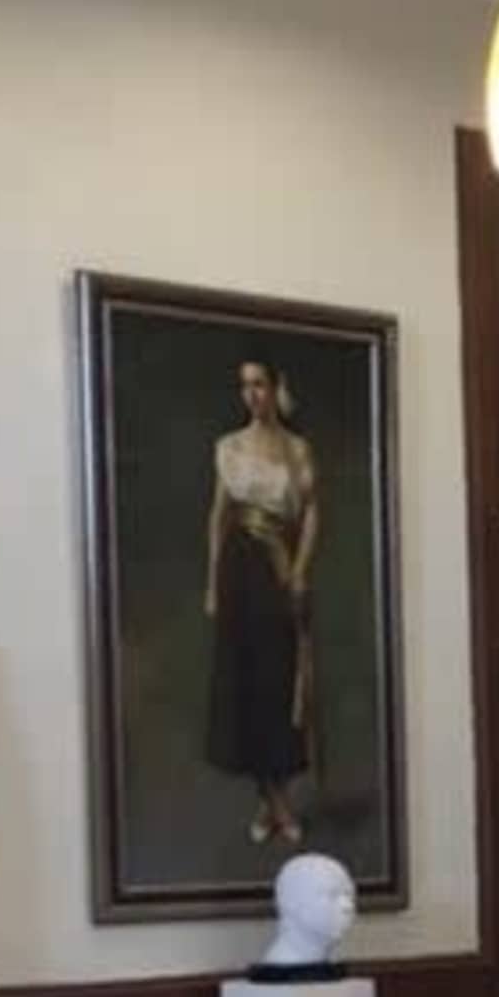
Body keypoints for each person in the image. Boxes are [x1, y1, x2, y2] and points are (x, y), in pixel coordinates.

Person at [203, 358, 321, 847]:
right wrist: (212, 583)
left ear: (277, 387)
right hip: (239, 570)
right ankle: (276, 804)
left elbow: (313, 511)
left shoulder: (297, 450)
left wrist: (299, 569)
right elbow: (219, 516)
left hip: (278, 567)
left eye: (260, 384)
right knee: (246, 684)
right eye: (244, 386)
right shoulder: (230, 448)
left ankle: (271, 799)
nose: (252, 394)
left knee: (280, 681)